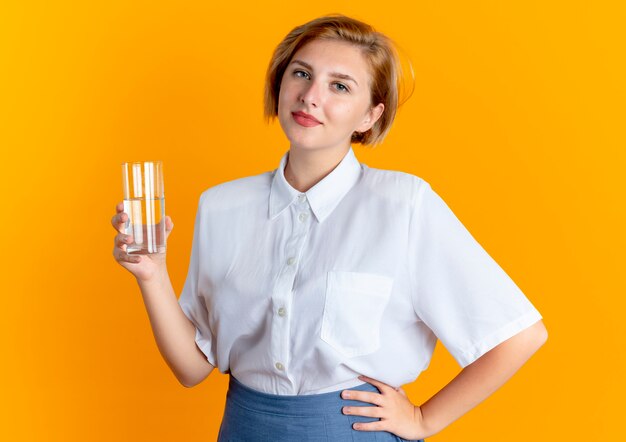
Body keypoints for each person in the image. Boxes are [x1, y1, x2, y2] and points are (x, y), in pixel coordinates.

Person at [111, 13, 547, 441]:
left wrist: (423, 420)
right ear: (279, 86)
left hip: (353, 431)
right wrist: (152, 274)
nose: (310, 95)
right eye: (301, 74)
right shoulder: (221, 206)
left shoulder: (403, 205)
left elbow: (519, 336)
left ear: (369, 116)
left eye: (339, 86)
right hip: (245, 428)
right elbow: (191, 369)